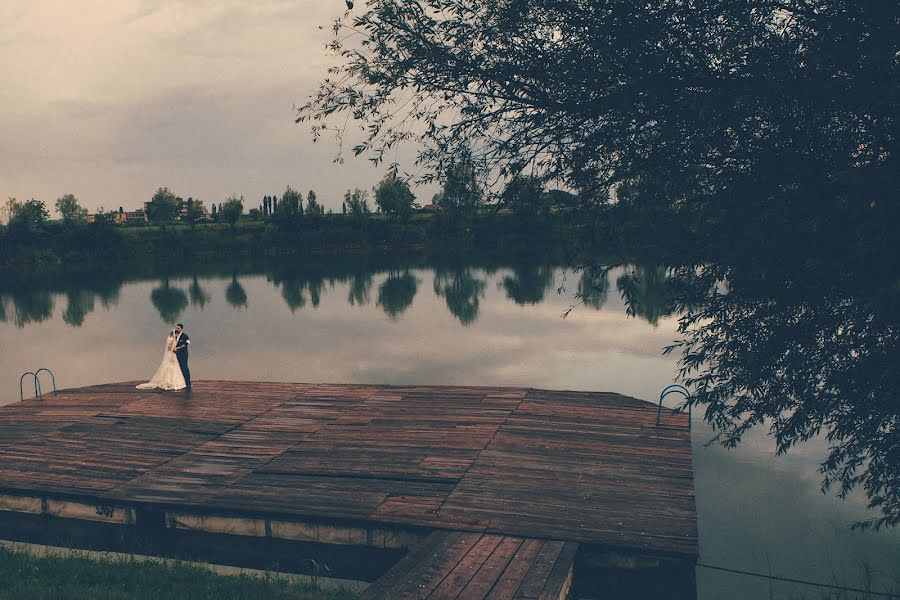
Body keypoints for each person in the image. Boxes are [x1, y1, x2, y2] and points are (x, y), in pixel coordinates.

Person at [173, 323, 191, 389]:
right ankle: (181, 382)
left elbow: (186, 344)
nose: (177, 329)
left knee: (184, 368)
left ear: (181, 329)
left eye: (178, 328)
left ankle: (188, 383)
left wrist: (178, 348)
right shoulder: (174, 335)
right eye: (176, 328)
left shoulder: (185, 336)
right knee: (178, 369)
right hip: (175, 355)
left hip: (183, 355)